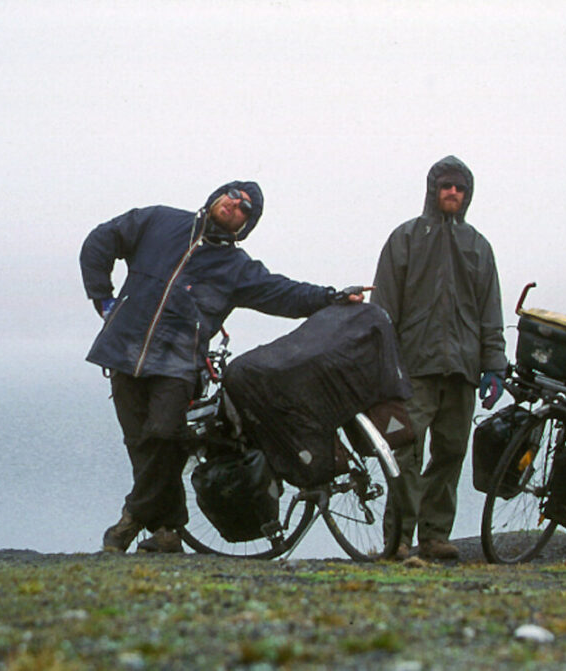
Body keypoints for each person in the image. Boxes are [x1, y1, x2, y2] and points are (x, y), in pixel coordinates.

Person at [81, 181, 365, 553]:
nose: (236, 204)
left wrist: (331, 297)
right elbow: (101, 240)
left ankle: (130, 519)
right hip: (122, 353)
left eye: (246, 208)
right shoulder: (160, 221)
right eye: (233, 195)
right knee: (140, 445)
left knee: (164, 437)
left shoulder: (236, 268)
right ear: (218, 195)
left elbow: (284, 292)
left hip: (178, 364)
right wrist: (103, 298)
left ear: (246, 226)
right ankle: (166, 531)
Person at [371, 156, 508, 561]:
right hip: (413, 369)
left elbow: (491, 311)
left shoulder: (478, 246)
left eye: (459, 188)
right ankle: (398, 539)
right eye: (446, 185)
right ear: (433, 190)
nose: (452, 192)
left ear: (468, 195)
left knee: (450, 453)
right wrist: (383, 365)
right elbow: (383, 310)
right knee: (405, 454)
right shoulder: (405, 238)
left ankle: (434, 535)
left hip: (463, 371)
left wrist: (494, 365)